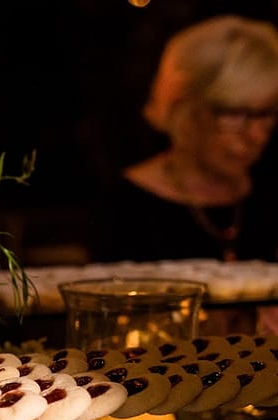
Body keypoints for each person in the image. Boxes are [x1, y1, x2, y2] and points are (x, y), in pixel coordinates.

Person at [91, 15, 278, 264]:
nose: (255, 134)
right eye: (234, 113)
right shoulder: (128, 207)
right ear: (186, 112)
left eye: (265, 113)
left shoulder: (269, 191)